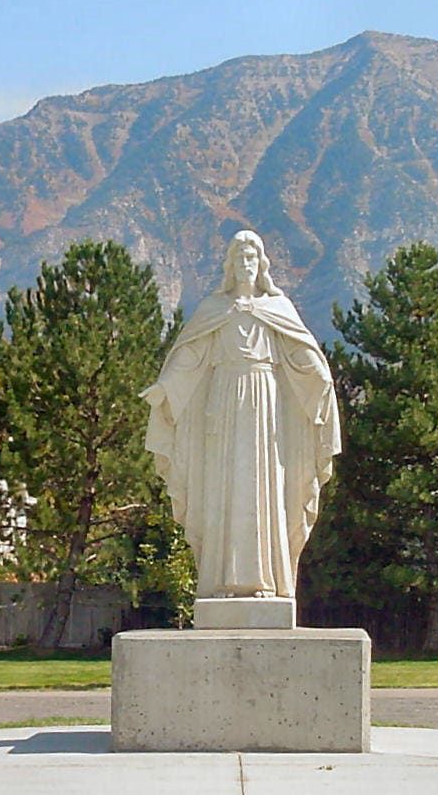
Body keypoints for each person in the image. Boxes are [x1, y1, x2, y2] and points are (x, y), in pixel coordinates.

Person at [141, 230, 340, 600]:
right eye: (240, 259)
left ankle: (265, 581)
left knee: (264, 487)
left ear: (261, 265)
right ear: (230, 266)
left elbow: (300, 354)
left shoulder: (277, 310)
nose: (246, 265)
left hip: (265, 406)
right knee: (224, 488)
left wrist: (320, 377)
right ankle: (220, 582)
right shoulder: (214, 311)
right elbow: (191, 356)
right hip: (225, 404)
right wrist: (166, 387)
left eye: (252, 258)